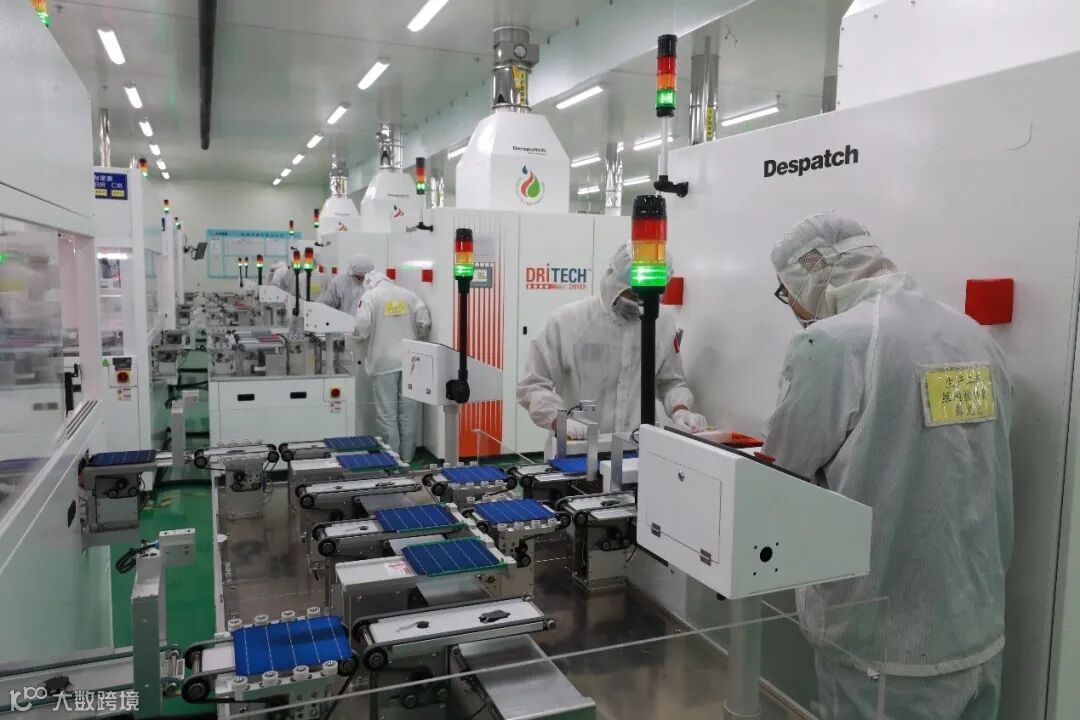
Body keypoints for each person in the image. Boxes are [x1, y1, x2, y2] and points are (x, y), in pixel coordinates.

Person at [762, 212, 1013, 720]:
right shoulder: (972, 335)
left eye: (786, 291)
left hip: (880, 644)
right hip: (977, 632)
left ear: (813, 274)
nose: (791, 306)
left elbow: (781, 471)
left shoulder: (833, 342)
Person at [517, 242, 706, 439]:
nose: (637, 302)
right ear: (612, 279)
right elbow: (532, 385)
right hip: (578, 444)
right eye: (632, 293)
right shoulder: (568, 321)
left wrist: (680, 410)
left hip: (637, 443)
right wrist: (561, 421)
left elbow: (670, 381)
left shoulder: (661, 323)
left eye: (646, 296)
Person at [353, 271, 431, 462]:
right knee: (409, 411)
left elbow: (362, 326)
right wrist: (416, 338)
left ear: (369, 282)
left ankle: (392, 459)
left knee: (387, 412)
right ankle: (407, 457)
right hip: (410, 361)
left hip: (383, 363)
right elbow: (424, 322)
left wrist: (358, 338)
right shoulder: (410, 295)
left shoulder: (370, 297)